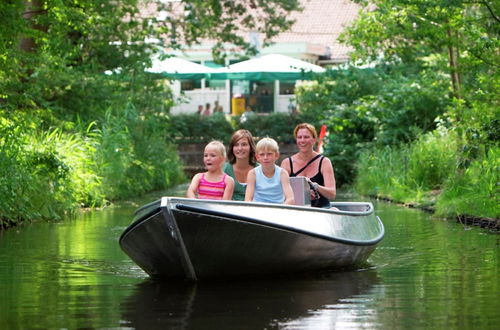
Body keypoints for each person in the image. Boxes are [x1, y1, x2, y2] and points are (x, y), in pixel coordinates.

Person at [280, 123, 336, 207]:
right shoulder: (287, 163)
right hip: (296, 211)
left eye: (306, 137)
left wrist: (315, 187)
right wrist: (303, 193)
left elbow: (332, 194)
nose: (302, 140)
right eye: (299, 137)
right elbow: (279, 192)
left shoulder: (324, 162)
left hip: (322, 210)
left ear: (314, 139)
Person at [245, 137, 294, 205]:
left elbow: (290, 198)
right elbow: (248, 199)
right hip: (257, 210)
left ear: (276, 155)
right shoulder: (253, 174)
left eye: (269, 154)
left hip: (277, 209)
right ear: (257, 157)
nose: (265, 157)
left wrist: (280, 210)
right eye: (262, 154)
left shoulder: (282, 173)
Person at [223, 129, 257, 201]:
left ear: (251, 147)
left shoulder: (260, 169)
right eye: (236, 145)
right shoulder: (224, 169)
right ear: (232, 148)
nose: (240, 148)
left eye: (244, 144)